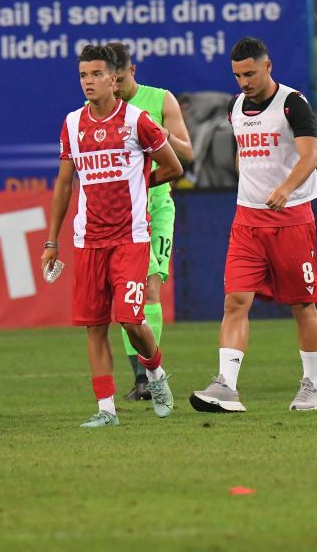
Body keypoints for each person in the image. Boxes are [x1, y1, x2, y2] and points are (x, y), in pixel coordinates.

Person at [41, 44, 183, 426]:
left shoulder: (137, 121)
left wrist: (140, 182)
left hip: (130, 238)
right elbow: (64, 183)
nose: (88, 82)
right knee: (94, 327)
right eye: (83, 75)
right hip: (88, 240)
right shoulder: (72, 123)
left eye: (96, 74)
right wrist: (52, 241)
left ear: (113, 79)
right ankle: (106, 410)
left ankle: (156, 373)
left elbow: (174, 167)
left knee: (132, 320)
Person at [188, 37, 317, 414]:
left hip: (291, 219)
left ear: (268, 66)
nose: (244, 82)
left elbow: (310, 156)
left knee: (302, 304)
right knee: (235, 301)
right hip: (247, 220)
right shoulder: (235, 106)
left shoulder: (292, 103)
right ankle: (226, 387)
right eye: (237, 75)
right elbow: (243, 157)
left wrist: (285, 188)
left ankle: (312, 388)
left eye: (250, 73)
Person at [105, 42, 194, 402]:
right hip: (123, 212)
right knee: (132, 293)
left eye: (120, 79)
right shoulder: (100, 110)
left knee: (151, 289)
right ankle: (142, 378)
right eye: (109, 80)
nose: (114, 87)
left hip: (157, 206)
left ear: (132, 71)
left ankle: (146, 377)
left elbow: (187, 153)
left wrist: (157, 131)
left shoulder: (160, 100)